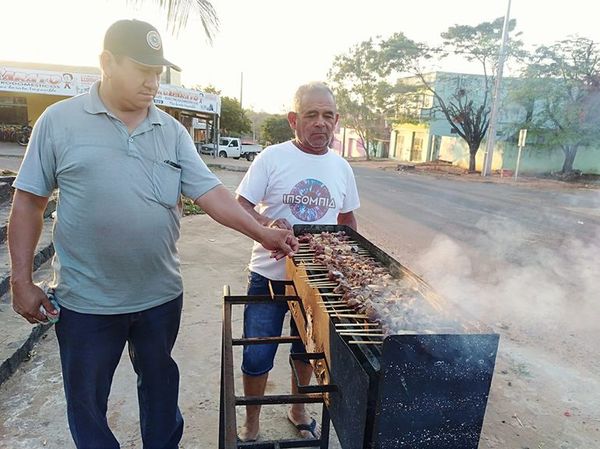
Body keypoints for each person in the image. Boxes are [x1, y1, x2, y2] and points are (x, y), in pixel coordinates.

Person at [8, 19, 297, 449]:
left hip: (159, 298)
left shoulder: (172, 132)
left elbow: (212, 193)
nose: (152, 81)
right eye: (141, 68)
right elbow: (28, 202)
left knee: (161, 393)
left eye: (158, 71)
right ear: (106, 62)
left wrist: (262, 232)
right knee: (87, 403)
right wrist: (20, 279)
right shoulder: (59, 122)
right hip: (88, 303)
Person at [235, 82, 360, 442]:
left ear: (336, 121)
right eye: (311, 115)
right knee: (257, 354)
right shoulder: (271, 158)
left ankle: (298, 408)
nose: (321, 123)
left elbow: (347, 220)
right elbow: (240, 207)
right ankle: (252, 421)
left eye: (328, 116)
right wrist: (267, 225)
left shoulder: (342, 168)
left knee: (307, 349)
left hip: (319, 282)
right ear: (294, 119)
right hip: (269, 276)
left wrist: (344, 256)